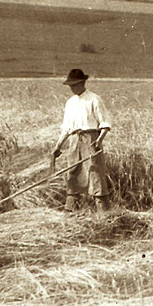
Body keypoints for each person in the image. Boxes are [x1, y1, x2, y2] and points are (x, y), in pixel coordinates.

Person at [51, 68, 111, 212]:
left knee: (94, 172)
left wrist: (99, 141)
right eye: (70, 85)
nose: (72, 88)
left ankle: (103, 213)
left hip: (91, 139)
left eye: (74, 84)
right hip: (74, 140)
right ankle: (71, 209)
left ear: (82, 82)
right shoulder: (70, 102)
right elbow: (66, 128)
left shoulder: (94, 99)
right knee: (72, 171)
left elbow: (105, 124)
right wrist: (58, 146)